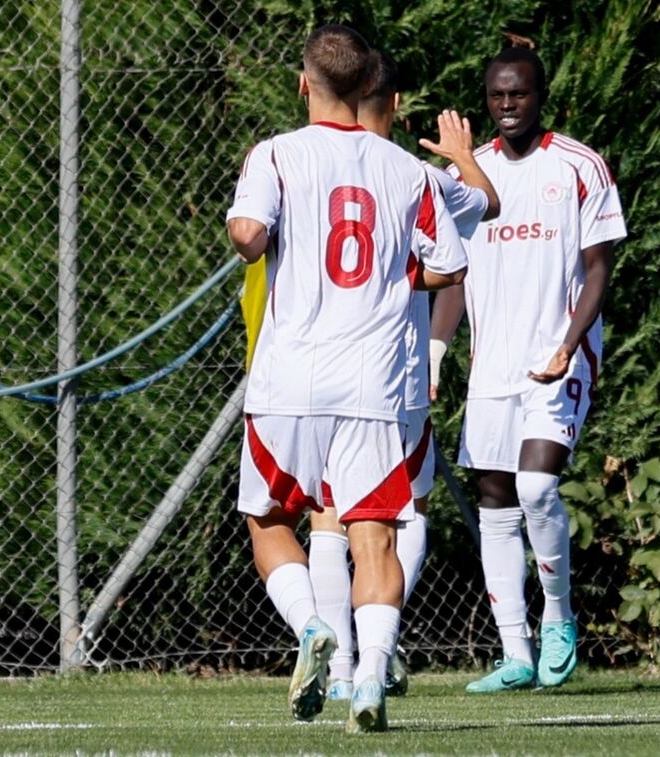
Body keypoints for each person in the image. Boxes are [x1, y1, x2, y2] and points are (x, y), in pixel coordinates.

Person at [226, 25, 466, 733]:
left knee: (269, 521)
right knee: (376, 534)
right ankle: (368, 678)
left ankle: (310, 628)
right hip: (374, 383)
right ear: (369, 88)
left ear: (304, 84)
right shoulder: (409, 172)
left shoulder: (275, 154)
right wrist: (396, 279)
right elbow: (448, 266)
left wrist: (258, 235)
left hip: (291, 377)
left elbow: (247, 235)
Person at [429, 46, 627, 692]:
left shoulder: (578, 166)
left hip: (555, 356)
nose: (507, 105)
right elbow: (454, 273)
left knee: (537, 486)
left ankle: (560, 616)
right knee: (494, 499)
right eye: (496, 96)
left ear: (540, 96)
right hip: (492, 367)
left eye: (518, 94)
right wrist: (435, 351)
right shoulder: (470, 173)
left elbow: (599, 267)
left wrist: (570, 343)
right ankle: (515, 651)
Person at [304, 49, 500, 702]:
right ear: (394, 106)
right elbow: (486, 203)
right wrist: (463, 153)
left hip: (315, 368)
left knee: (327, 517)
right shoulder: (416, 177)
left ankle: (337, 666)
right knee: (400, 518)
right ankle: (373, 659)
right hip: (395, 371)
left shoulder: (303, 166)